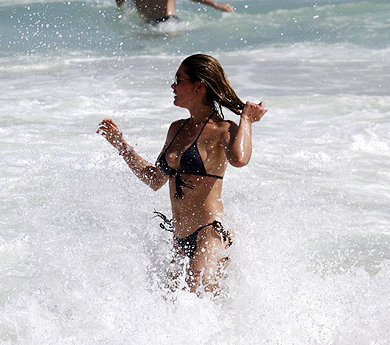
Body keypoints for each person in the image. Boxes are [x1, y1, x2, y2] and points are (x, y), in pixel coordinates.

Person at [98, 54, 267, 295]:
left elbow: (240, 159)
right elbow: (155, 179)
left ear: (199, 86)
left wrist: (247, 120)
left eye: (179, 79)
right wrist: (121, 146)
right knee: (175, 307)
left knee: (195, 297)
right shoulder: (176, 129)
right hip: (179, 239)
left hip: (210, 233)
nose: (173, 86)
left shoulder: (224, 129)